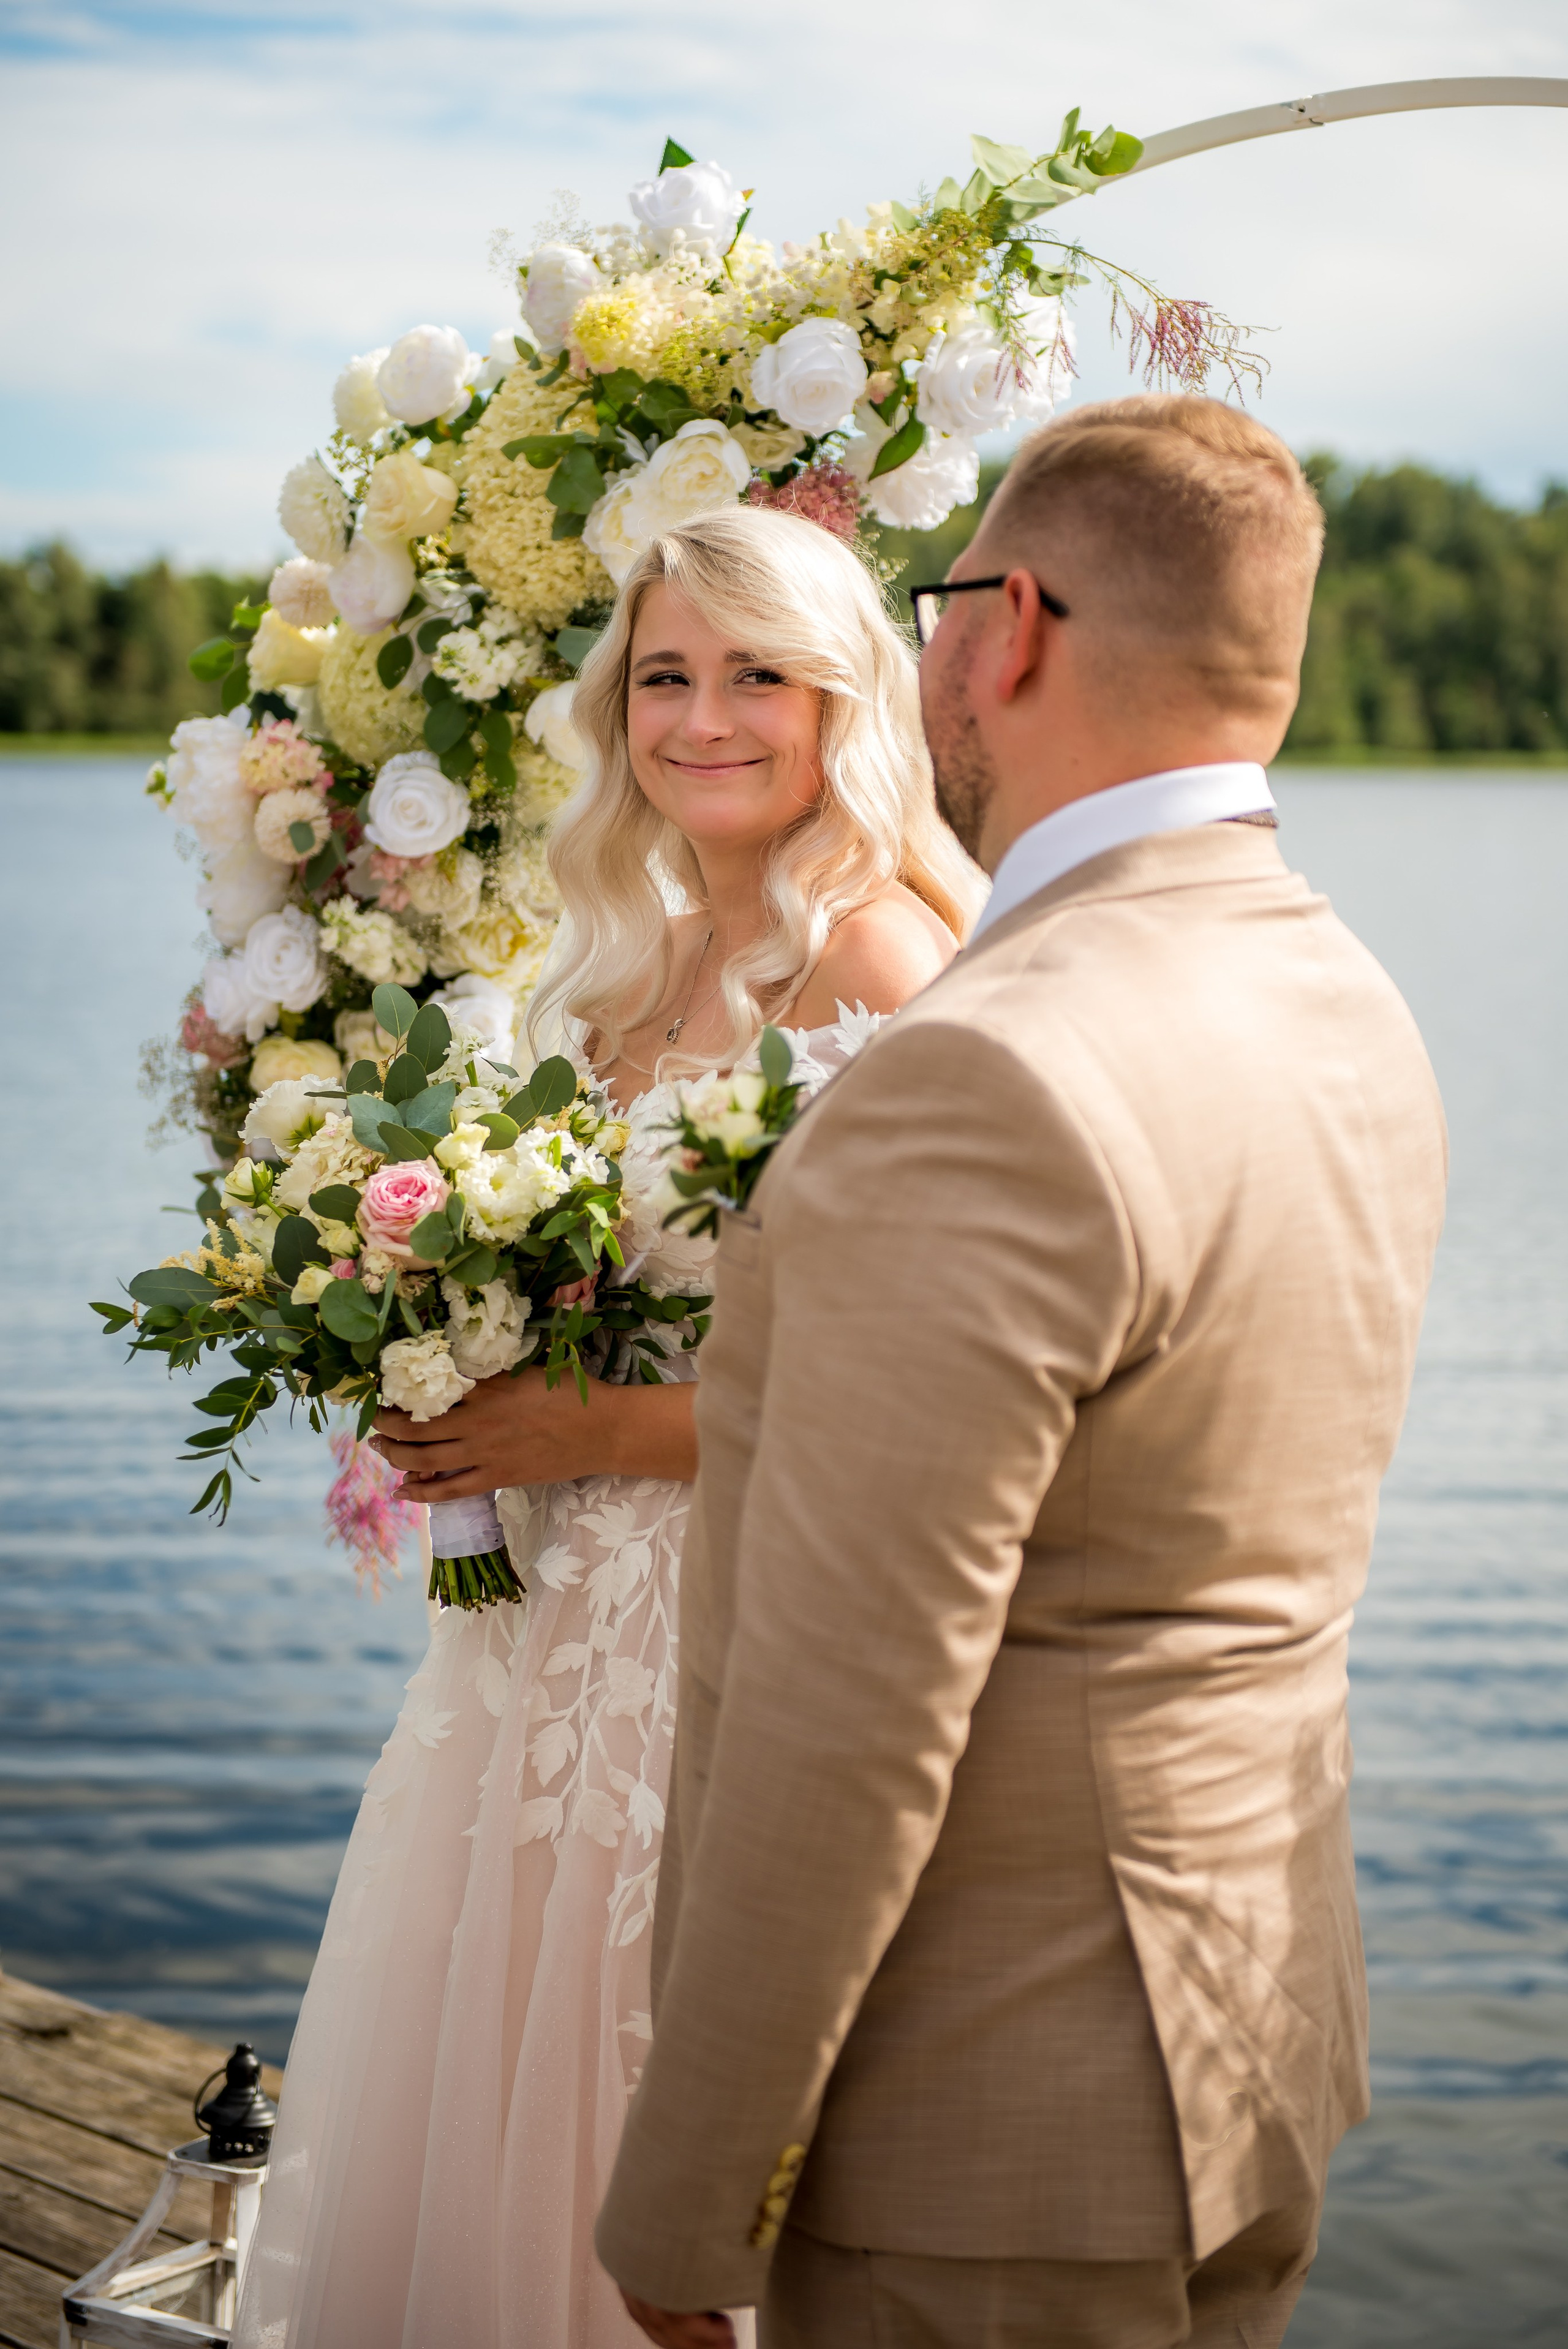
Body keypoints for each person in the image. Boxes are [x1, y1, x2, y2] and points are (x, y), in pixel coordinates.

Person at [595, 398, 1449, 2349]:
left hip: (987, 2125)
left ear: (1016, 629)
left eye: (940, 601)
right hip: (1248, 2044)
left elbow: (852, 1709)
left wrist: (689, 2186)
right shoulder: (1345, 991)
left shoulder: (989, 1068)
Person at [231, 506, 980, 2349]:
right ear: (617, 704)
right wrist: (442, 1371)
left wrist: (589, 1424)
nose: (702, 715)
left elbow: (919, 1402)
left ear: (841, 706)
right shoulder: (615, 982)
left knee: (655, 2111)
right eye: (665, 674)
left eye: (756, 675)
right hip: (547, 1629)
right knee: (494, 2062)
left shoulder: (883, 970)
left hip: (728, 1637)